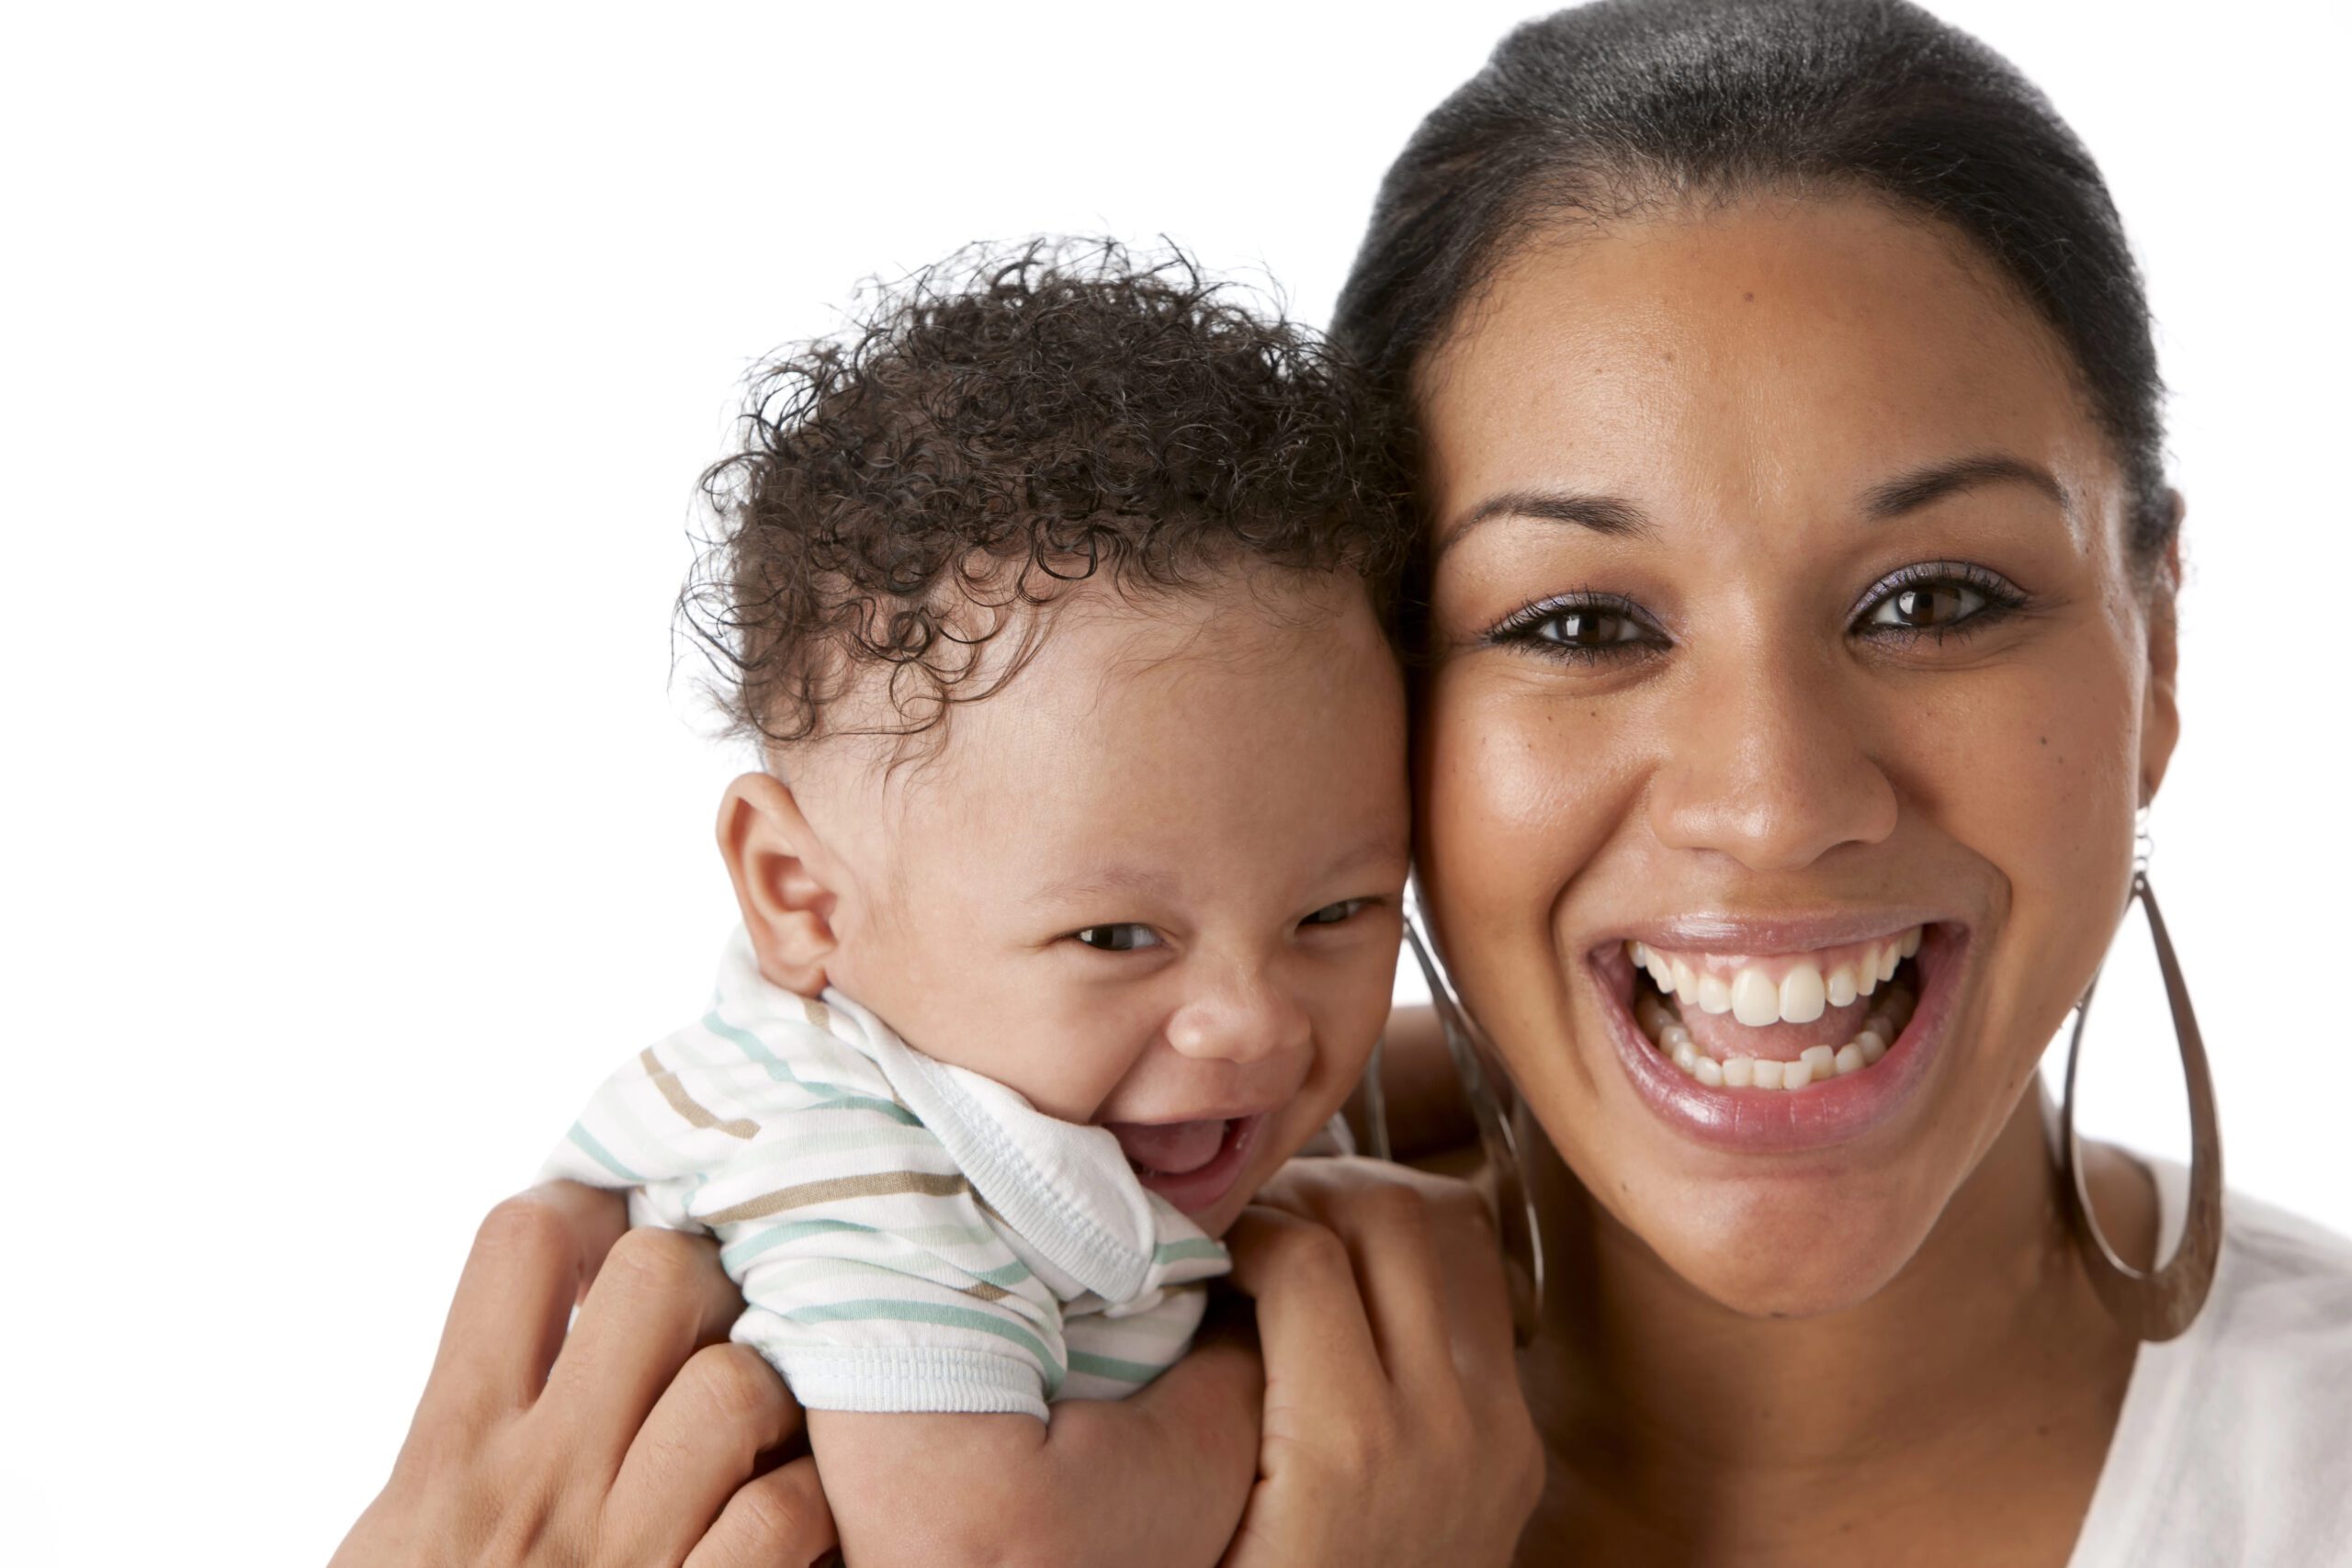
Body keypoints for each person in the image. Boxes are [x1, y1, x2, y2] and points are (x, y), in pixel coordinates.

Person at [335, 3, 2352, 1563]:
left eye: (1932, 594)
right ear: (1361, 709)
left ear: (2155, 650)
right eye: (1572, 620)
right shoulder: (781, 1387)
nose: (1767, 795)